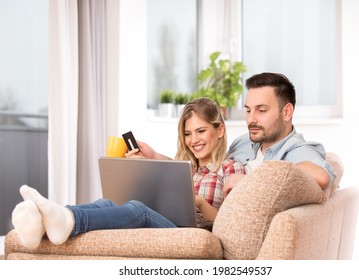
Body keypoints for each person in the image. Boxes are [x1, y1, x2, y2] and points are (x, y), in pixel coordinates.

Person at [11, 97, 245, 249]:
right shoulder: (184, 168)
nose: (194, 140)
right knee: (107, 202)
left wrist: (201, 203)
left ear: (220, 129)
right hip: (165, 219)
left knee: (138, 210)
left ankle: (69, 221)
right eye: (188, 134)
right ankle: (48, 220)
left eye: (201, 131)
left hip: (189, 230)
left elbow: (230, 224)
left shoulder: (230, 169)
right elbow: (175, 171)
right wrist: (150, 161)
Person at [223, 72, 335, 196]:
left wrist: (250, 180)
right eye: (248, 110)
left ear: (287, 112)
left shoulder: (295, 150)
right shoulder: (242, 142)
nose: (251, 119)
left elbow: (322, 176)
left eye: (261, 110)